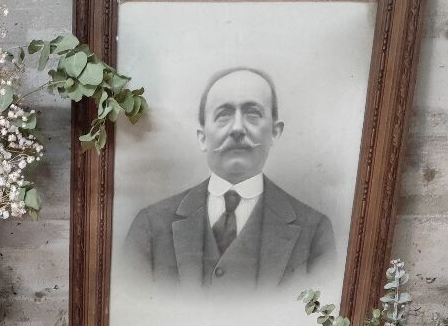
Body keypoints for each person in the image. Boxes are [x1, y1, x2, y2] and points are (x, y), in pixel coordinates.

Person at [124, 66, 335, 290]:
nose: (237, 128)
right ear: (203, 137)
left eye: (252, 113)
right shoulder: (149, 225)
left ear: (275, 132)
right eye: (223, 114)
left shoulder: (314, 231)